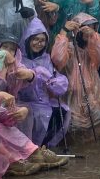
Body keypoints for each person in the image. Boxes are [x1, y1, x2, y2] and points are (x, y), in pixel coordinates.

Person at [51, 13, 100, 137]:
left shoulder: (92, 48)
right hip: (71, 97)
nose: (89, 31)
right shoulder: (69, 48)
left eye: (93, 28)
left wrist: (93, 36)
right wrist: (64, 32)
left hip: (92, 96)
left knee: (97, 121)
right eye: (86, 28)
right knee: (73, 128)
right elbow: (57, 58)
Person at [17, 18, 70, 148]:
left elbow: (55, 80)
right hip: (25, 101)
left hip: (44, 101)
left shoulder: (46, 58)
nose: (39, 44)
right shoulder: (19, 58)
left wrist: (55, 81)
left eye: (42, 40)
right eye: (35, 39)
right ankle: (31, 148)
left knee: (63, 111)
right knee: (39, 114)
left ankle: (45, 146)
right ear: (28, 39)